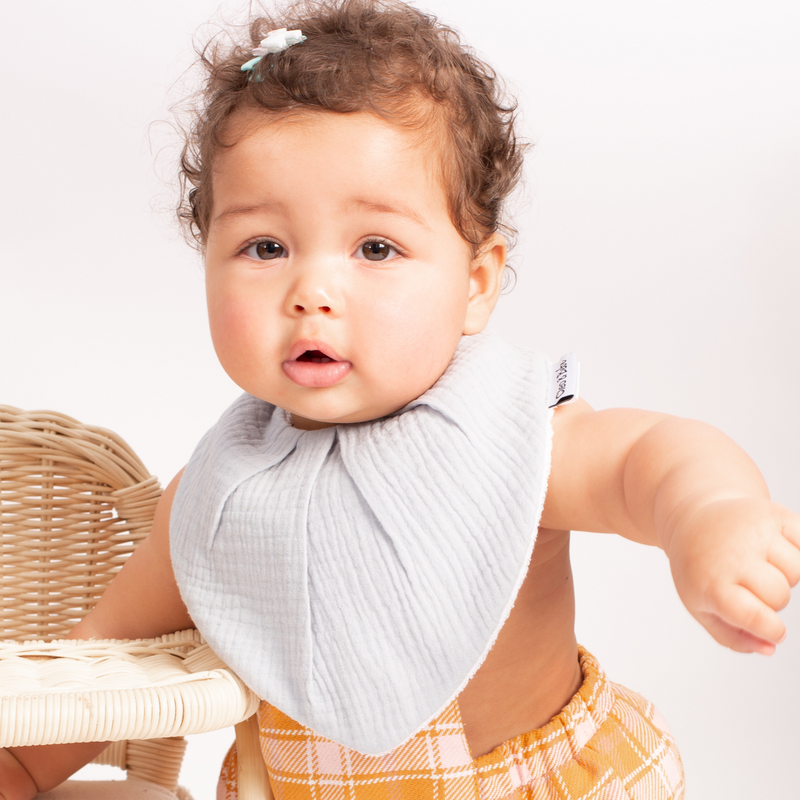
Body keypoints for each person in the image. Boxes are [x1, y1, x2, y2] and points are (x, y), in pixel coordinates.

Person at [2, 1, 798, 798]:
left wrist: (709, 516)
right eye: (264, 247)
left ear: (475, 283)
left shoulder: (503, 432)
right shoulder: (214, 497)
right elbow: (93, 672)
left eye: (375, 247)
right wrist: (22, 768)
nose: (312, 291)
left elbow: (643, 461)